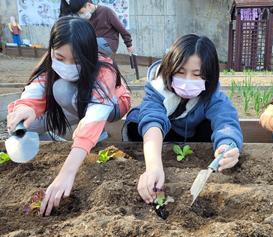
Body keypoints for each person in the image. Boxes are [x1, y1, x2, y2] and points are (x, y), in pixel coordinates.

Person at [6, 16, 131, 216]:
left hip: (113, 105)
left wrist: (66, 173)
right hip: (78, 100)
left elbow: (94, 115)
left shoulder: (104, 69)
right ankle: (54, 142)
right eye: (60, 58)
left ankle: (95, 140)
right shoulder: (50, 62)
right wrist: (26, 108)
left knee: (62, 89)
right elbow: (35, 90)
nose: (66, 65)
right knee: (30, 120)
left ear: (89, 54)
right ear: (52, 51)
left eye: (77, 60)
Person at [122, 34, 243, 204]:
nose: (187, 81)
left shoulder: (211, 94)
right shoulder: (157, 88)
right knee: (137, 124)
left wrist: (227, 145)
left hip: (193, 135)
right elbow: (152, 121)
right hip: (164, 135)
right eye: (180, 72)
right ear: (170, 68)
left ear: (208, 75)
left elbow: (225, 121)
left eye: (197, 74)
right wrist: (154, 167)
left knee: (210, 126)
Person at [60, 0, 134, 58]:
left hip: (109, 43)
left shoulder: (106, 11)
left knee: (85, 45)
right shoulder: (88, 17)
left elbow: (122, 29)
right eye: (80, 14)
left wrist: (129, 45)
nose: (81, 15)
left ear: (88, 5)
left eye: (82, 12)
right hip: (96, 42)